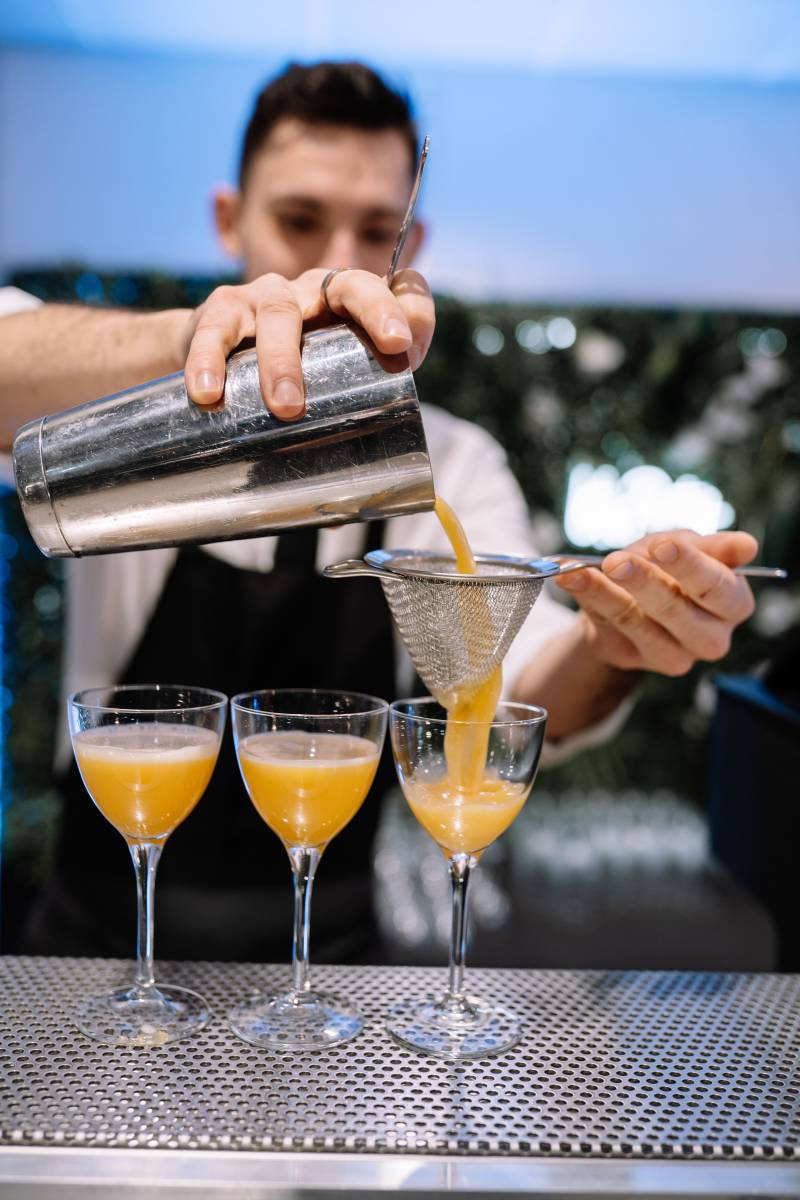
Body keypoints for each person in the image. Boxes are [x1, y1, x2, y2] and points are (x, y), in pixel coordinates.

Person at [0, 62, 758, 962]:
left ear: (412, 245)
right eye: (298, 221)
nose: (332, 264)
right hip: (104, 941)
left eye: (373, 232)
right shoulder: (142, 415)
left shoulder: (450, 461)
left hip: (335, 963)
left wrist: (616, 642)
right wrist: (191, 349)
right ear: (227, 219)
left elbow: (512, 678)